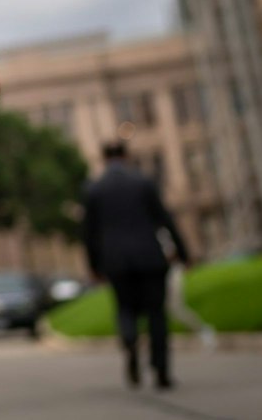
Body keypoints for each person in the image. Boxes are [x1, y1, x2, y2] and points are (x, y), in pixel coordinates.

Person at [83, 140, 191, 390]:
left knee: (125, 309)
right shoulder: (143, 183)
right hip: (149, 257)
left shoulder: (94, 189)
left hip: (116, 262)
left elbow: (89, 234)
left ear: (104, 159)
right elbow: (165, 219)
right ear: (126, 156)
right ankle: (161, 371)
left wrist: (94, 266)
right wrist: (183, 254)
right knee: (156, 313)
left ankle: (130, 341)